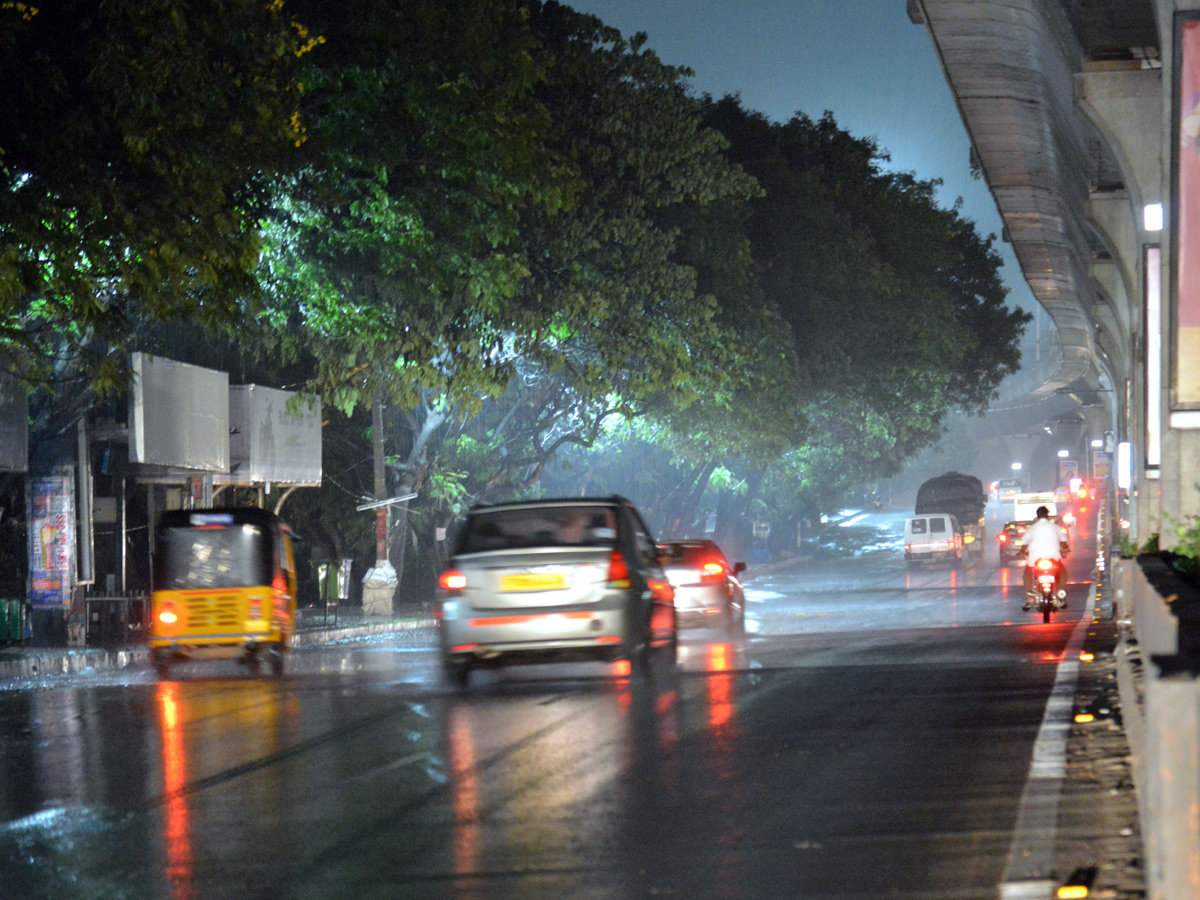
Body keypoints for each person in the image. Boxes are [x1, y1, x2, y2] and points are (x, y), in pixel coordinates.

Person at [1021, 505, 1066, 609]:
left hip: (1035, 560)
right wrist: (1065, 550)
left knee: (1027, 574)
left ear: (1037, 517)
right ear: (1048, 516)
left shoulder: (1031, 529)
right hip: (1054, 559)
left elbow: (1024, 545)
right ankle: (1062, 592)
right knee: (1062, 572)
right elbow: (1064, 543)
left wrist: (1022, 552)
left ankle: (1029, 596)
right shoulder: (1055, 527)